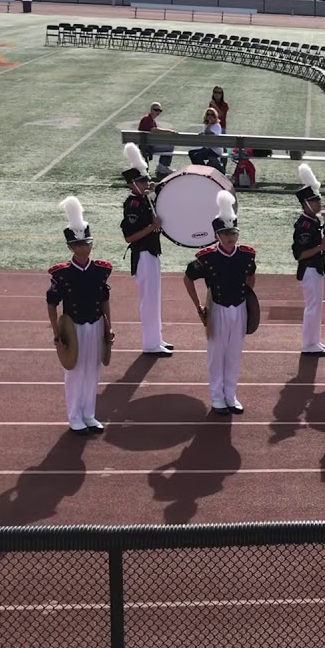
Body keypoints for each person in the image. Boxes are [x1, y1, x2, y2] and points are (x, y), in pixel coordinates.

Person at [184, 190, 256, 415]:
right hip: (217, 308)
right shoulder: (206, 257)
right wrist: (198, 305)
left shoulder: (246, 255)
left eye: (233, 232)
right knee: (216, 355)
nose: (230, 237)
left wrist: (249, 297)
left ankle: (231, 396)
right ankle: (217, 398)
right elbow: (188, 278)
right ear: (217, 235)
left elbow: (251, 275)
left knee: (234, 353)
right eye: (225, 233)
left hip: (239, 308)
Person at [47, 197, 113, 435]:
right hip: (73, 327)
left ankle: (89, 414)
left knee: (93, 369)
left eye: (87, 243)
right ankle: (75, 416)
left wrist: (108, 326)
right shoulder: (62, 274)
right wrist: (57, 333)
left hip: (95, 324)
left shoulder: (101, 270)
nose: (84, 248)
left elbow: (104, 299)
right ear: (71, 247)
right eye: (78, 245)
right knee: (75, 371)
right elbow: (52, 303)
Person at [120, 142, 173, 358]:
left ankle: (156, 338)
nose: (147, 183)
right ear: (133, 184)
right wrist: (152, 227)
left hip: (151, 252)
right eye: (142, 181)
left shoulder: (145, 201)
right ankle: (150, 344)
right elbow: (129, 237)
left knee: (155, 298)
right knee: (149, 301)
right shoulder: (133, 205)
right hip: (143, 254)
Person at [294, 163, 325, 357]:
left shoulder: (314, 221)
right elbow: (299, 254)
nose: (318, 203)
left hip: (316, 268)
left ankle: (314, 341)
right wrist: (320, 247)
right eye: (314, 200)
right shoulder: (304, 225)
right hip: (309, 269)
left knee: (317, 306)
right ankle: (308, 343)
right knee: (312, 307)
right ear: (305, 203)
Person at [138, 102, 177, 177]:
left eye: (160, 110)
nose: (158, 112)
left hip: (146, 144)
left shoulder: (150, 120)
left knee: (168, 146)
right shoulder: (147, 119)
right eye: (156, 110)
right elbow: (154, 130)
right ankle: (163, 167)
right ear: (151, 110)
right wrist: (169, 131)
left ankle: (162, 167)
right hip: (147, 145)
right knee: (170, 147)